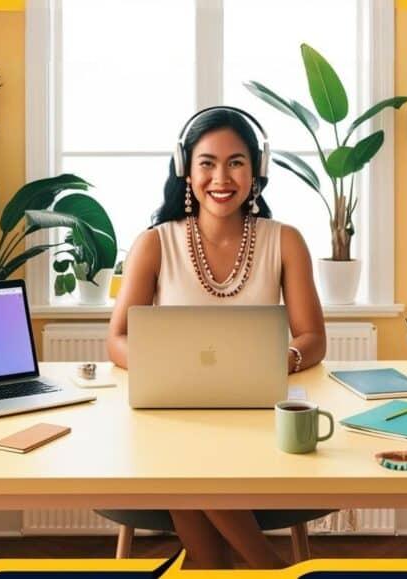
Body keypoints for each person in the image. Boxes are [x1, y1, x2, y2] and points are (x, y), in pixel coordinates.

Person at [100, 107, 329, 569]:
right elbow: (118, 339)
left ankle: (235, 569)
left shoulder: (285, 241)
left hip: (259, 416)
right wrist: (166, 368)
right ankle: (270, 568)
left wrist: (284, 357)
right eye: (207, 162)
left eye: (236, 162)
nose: (221, 177)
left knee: (185, 469)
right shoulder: (154, 243)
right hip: (177, 416)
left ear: (257, 170)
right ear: (186, 168)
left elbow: (313, 337)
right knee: (181, 456)